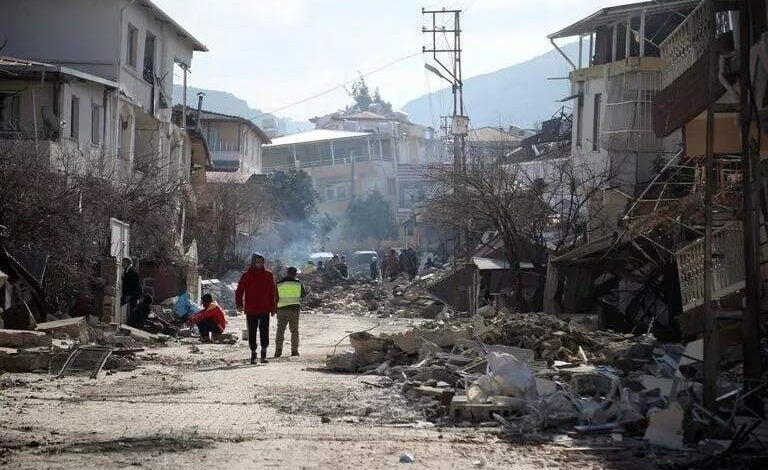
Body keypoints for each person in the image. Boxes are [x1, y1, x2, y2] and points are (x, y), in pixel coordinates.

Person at [236, 253, 277, 364]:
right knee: (252, 332)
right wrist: (239, 304)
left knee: (264, 331)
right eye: (257, 262)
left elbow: (272, 292)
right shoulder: (247, 275)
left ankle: (264, 353)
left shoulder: (268, 275)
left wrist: (273, 308)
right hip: (251, 309)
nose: (260, 264)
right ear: (254, 262)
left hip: (264, 308)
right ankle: (253, 353)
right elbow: (239, 290)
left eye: (262, 262)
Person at [274, 267, 307, 357]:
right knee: (294, 331)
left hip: (282, 309)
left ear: (287, 273)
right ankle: (294, 351)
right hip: (294, 310)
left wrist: (274, 309)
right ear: (295, 273)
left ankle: (278, 351)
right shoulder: (298, 283)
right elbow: (303, 294)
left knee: (280, 330)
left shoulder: (280, 283)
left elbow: (275, 296)